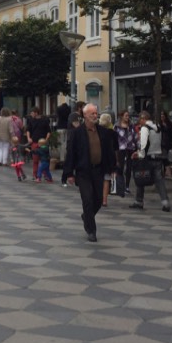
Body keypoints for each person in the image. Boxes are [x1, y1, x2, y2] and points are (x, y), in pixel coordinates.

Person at [63, 103, 116, 242]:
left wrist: (113, 168)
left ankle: (87, 216)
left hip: (98, 170)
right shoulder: (77, 133)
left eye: (96, 113)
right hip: (83, 171)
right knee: (87, 199)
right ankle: (91, 230)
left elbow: (109, 151)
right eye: (92, 113)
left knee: (98, 199)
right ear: (85, 115)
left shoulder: (103, 132)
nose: (95, 115)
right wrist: (69, 173)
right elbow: (71, 154)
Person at [130, 110, 171, 213]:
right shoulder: (158, 128)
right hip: (158, 156)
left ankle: (139, 201)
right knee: (159, 181)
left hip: (147, 158)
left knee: (140, 177)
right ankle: (165, 202)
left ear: (143, 118)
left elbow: (143, 144)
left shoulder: (145, 128)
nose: (139, 122)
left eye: (140, 119)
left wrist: (139, 154)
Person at [114, 109, 137, 196]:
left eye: (128, 116)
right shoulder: (117, 126)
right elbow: (114, 138)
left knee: (129, 168)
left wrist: (137, 146)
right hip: (121, 148)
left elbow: (135, 136)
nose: (127, 117)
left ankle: (127, 186)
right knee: (120, 167)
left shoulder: (131, 126)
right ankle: (121, 186)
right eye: (126, 116)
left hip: (130, 148)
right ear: (121, 116)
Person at [25, 107, 51, 180]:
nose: (31, 114)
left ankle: (45, 175)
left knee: (44, 160)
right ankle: (35, 174)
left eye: (32, 113)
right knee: (35, 160)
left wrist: (46, 139)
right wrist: (28, 138)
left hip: (43, 143)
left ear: (36, 113)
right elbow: (28, 130)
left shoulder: (44, 120)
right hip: (34, 141)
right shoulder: (31, 121)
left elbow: (48, 131)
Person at [61, 111, 82, 186]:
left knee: (76, 160)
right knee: (69, 160)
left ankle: (76, 180)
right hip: (72, 141)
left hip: (77, 140)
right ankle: (65, 178)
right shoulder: (73, 115)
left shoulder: (80, 116)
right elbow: (76, 125)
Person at [99, 112, 115, 205]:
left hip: (98, 158)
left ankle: (98, 197)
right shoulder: (112, 133)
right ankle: (104, 200)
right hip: (108, 159)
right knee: (106, 179)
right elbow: (115, 148)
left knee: (98, 178)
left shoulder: (96, 132)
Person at [159, 110, 172, 177]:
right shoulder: (159, 125)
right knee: (163, 158)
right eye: (161, 115)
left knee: (169, 158)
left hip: (169, 144)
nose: (162, 116)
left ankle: (168, 171)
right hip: (162, 144)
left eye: (163, 115)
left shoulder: (170, 124)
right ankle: (164, 171)